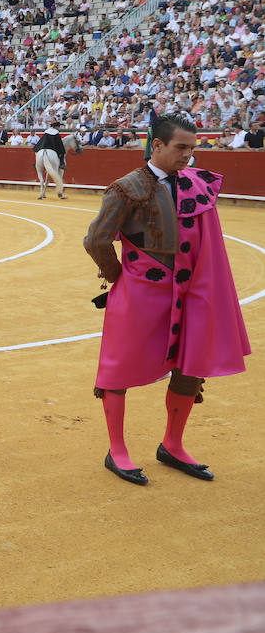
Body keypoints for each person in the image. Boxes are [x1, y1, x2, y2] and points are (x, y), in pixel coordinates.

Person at [84, 112, 250, 486]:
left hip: (190, 292)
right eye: (180, 148)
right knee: (119, 367)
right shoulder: (126, 187)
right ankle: (118, 450)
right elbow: (96, 239)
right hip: (141, 292)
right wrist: (118, 277)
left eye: (192, 148)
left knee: (190, 366)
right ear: (156, 145)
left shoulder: (195, 183)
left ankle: (172, 444)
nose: (188, 156)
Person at [33, 121, 68, 200]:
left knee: (38, 153)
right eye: (59, 126)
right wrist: (61, 151)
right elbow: (59, 145)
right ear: (57, 127)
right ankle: (62, 163)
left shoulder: (46, 133)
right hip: (52, 150)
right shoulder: (56, 133)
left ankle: (36, 164)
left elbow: (40, 143)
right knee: (62, 152)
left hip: (43, 148)